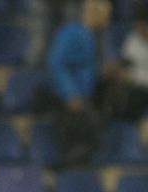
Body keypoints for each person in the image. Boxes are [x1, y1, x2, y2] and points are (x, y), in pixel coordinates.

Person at [44, 0, 114, 168]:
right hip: (70, 98)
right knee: (86, 135)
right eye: (105, 15)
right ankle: (59, 171)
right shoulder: (72, 32)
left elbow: (84, 65)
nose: (107, 20)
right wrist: (70, 94)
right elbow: (57, 63)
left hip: (85, 96)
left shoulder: (92, 36)